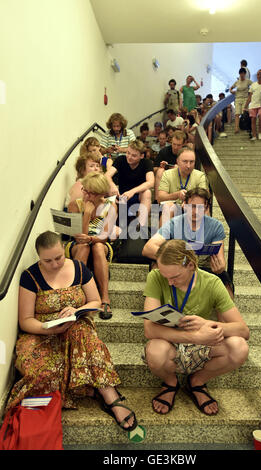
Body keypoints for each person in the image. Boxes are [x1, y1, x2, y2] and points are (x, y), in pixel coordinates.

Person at [5, 231, 137, 432]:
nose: (55, 264)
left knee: (84, 334)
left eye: (58, 258)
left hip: (75, 327)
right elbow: (25, 321)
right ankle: (85, 388)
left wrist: (77, 311)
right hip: (41, 333)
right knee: (41, 374)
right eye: (47, 260)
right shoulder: (30, 276)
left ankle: (110, 395)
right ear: (39, 258)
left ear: (64, 250)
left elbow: (96, 302)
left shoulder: (78, 268)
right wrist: (46, 329)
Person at [143, 239, 249, 416]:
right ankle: (171, 383)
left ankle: (197, 381)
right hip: (171, 341)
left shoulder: (212, 282)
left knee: (239, 348)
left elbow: (243, 330)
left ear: (191, 265)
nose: (169, 282)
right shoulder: (155, 277)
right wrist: (195, 337)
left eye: (174, 276)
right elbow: (150, 330)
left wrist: (208, 324)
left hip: (203, 343)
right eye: (165, 276)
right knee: (154, 352)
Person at [142, 188, 234, 299]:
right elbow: (148, 248)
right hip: (177, 266)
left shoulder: (215, 226)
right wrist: (176, 259)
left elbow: (220, 260)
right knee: (156, 267)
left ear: (206, 208)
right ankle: (157, 307)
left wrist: (220, 267)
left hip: (202, 268)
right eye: (192, 206)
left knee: (225, 283)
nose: (195, 212)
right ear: (184, 205)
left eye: (200, 207)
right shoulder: (174, 223)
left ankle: (225, 314)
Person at [67, 172, 119, 319]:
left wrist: (90, 238)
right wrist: (87, 215)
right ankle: (76, 295)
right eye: (85, 190)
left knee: (96, 246)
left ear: (101, 193)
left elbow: (104, 236)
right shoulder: (75, 205)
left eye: (91, 193)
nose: (87, 195)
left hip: (99, 243)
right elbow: (78, 238)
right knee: (84, 247)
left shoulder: (111, 206)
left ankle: (104, 298)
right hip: (77, 245)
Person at [105, 140, 154, 233]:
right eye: (128, 153)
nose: (129, 157)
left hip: (137, 195)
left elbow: (151, 182)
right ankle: (109, 227)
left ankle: (141, 227)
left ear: (141, 156)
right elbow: (107, 176)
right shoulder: (121, 160)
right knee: (108, 188)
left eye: (134, 155)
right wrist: (113, 186)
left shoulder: (147, 163)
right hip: (122, 195)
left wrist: (132, 191)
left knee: (147, 193)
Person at [158, 147, 208, 224]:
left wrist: (189, 201)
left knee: (203, 208)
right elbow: (160, 198)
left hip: (193, 207)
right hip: (174, 207)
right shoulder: (167, 174)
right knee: (168, 207)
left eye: (191, 162)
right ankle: (163, 235)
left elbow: (204, 198)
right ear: (177, 161)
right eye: (185, 161)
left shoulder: (200, 176)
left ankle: (203, 234)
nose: (188, 165)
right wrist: (177, 194)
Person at [153, 130, 186, 203]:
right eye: (174, 144)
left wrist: (180, 169)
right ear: (171, 142)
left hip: (182, 177)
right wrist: (163, 167)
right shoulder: (164, 151)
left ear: (183, 144)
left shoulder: (186, 153)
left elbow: (192, 170)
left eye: (178, 145)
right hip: (166, 177)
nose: (175, 147)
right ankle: (156, 201)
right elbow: (154, 169)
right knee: (160, 171)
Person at [244, 69, 261, 141]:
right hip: (253, 105)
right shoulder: (253, 85)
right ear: (257, 75)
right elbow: (250, 97)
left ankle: (260, 132)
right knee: (253, 120)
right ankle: (254, 135)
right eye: (258, 74)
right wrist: (245, 106)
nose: (259, 75)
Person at [230, 68, 252, 133]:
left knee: (244, 113)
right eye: (240, 73)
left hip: (245, 98)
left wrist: (250, 91)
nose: (242, 75)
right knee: (237, 114)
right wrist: (232, 91)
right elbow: (231, 88)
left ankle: (245, 126)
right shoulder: (237, 82)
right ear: (239, 74)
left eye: (243, 73)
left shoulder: (248, 81)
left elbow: (254, 86)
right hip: (237, 98)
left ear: (245, 74)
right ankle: (236, 128)